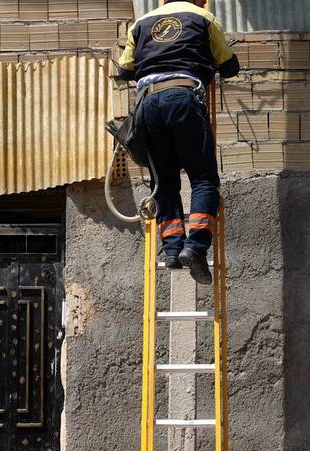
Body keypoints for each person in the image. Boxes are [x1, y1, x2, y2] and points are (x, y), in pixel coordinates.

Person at [117, 0, 240, 285]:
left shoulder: (141, 23)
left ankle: (172, 249)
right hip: (183, 97)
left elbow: (125, 70)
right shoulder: (204, 18)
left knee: (164, 182)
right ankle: (195, 247)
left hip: (147, 104)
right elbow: (229, 66)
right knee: (203, 179)